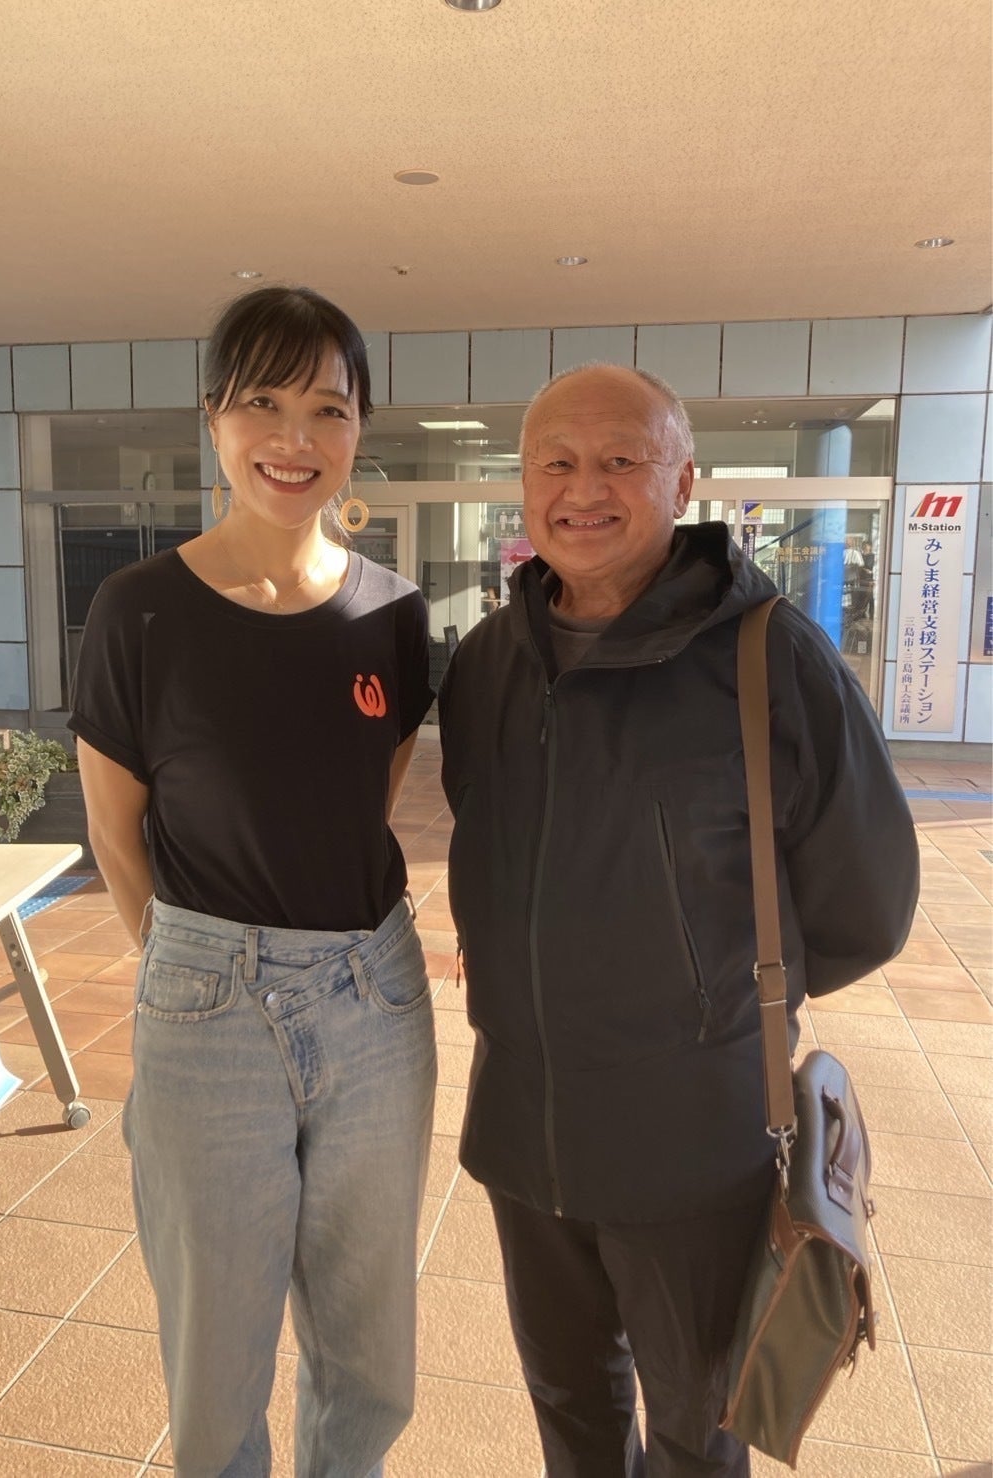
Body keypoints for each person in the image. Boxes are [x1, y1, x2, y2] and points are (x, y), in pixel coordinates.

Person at [438, 364, 919, 1478]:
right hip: (521, 1125)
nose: (583, 489)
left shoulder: (768, 656)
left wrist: (712, 995)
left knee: (697, 1436)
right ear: (524, 483)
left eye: (621, 460)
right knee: (568, 1410)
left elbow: (868, 902)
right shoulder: (488, 662)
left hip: (692, 1144)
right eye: (556, 462)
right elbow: (491, 839)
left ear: (684, 481)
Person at [69, 285, 437, 1478]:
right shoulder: (138, 611)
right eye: (262, 403)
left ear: (359, 427)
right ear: (214, 418)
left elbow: (365, 801)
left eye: (328, 407)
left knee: (369, 1349)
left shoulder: (392, 614)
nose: (295, 436)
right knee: (217, 1358)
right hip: (205, 1003)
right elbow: (116, 830)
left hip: (376, 995)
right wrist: (195, 972)